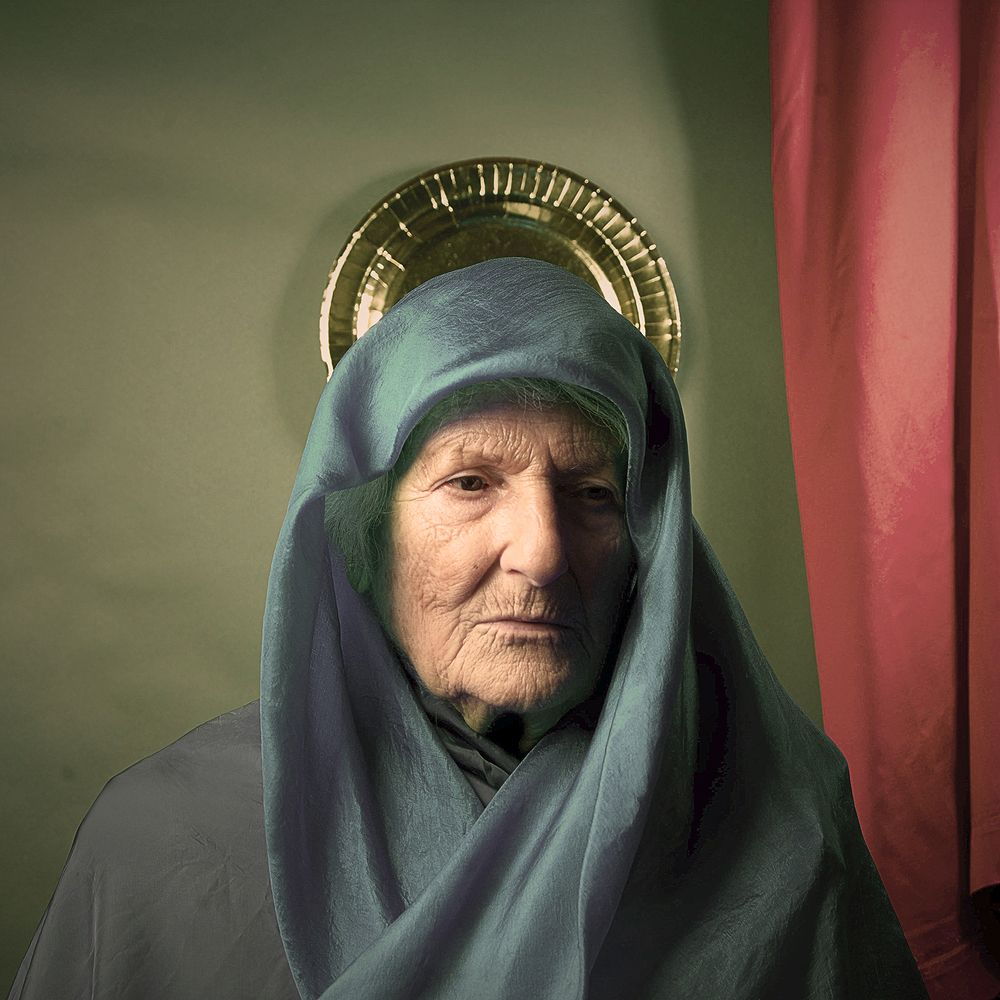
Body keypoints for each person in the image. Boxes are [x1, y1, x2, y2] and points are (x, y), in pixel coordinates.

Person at [9, 257, 928, 999]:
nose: (542, 553)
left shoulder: (783, 831)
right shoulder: (168, 841)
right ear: (366, 532)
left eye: (592, 494)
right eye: (470, 483)